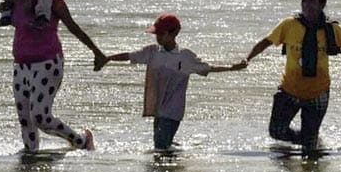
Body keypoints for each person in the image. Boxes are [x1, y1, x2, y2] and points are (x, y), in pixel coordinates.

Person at [243, 0, 341, 156]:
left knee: (309, 151)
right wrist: (247, 58)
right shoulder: (289, 24)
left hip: (318, 93)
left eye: (311, 1)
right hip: (290, 89)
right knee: (276, 132)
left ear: (322, 5)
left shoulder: (331, 29)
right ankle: (308, 141)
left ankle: (311, 150)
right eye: (304, 1)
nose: (306, 5)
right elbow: (266, 41)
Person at [96, 13, 245, 151]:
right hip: (158, 110)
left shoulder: (184, 57)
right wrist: (108, 58)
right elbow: (129, 56)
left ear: (174, 33)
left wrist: (232, 68)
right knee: (161, 145)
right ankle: (174, 158)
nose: (158, 37)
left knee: (160, 146)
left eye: (161, 34)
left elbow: (209, 68)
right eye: (156, 34)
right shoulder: (152, 52)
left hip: (173, 111)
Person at [9, 0, 105, 153]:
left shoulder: (53, 1)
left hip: (48, 63)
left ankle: (81, 141)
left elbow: (73, 27)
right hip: (21, 65)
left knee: (41, 117)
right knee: (25, 119)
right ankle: (30, 157)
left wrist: (96, 52)